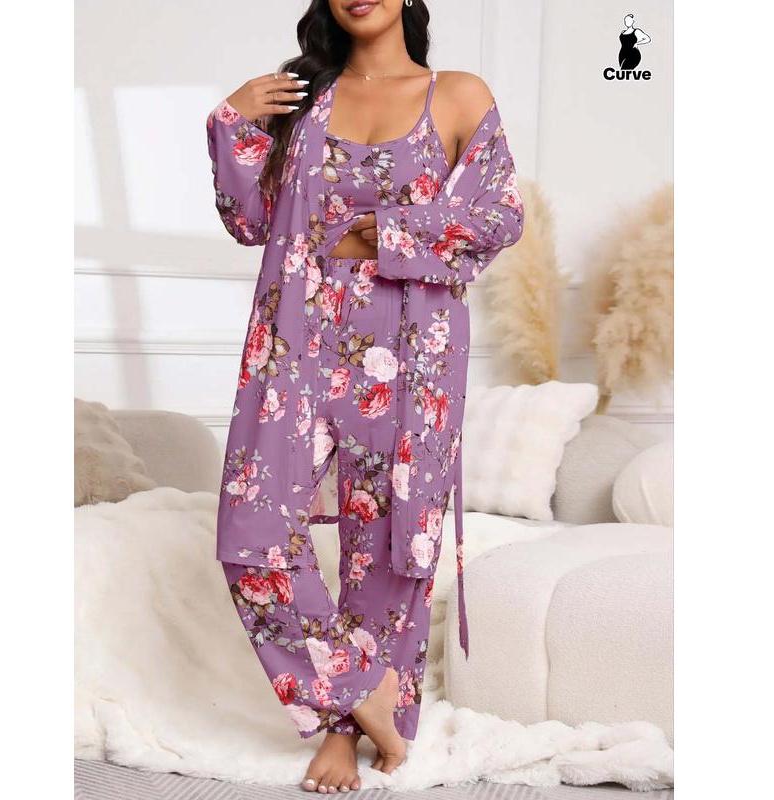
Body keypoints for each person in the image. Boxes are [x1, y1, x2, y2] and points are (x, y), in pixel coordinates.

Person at [206, 0, 524, 792]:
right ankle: (355, 688)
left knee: (388, 545)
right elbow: (252, 222)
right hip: (295, 337)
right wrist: (233, 123)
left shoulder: (458, 94)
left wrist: (381, 232)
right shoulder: (302, 98)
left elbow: (498, 216)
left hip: (414, 348)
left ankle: (347, 733)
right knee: (252, 532)